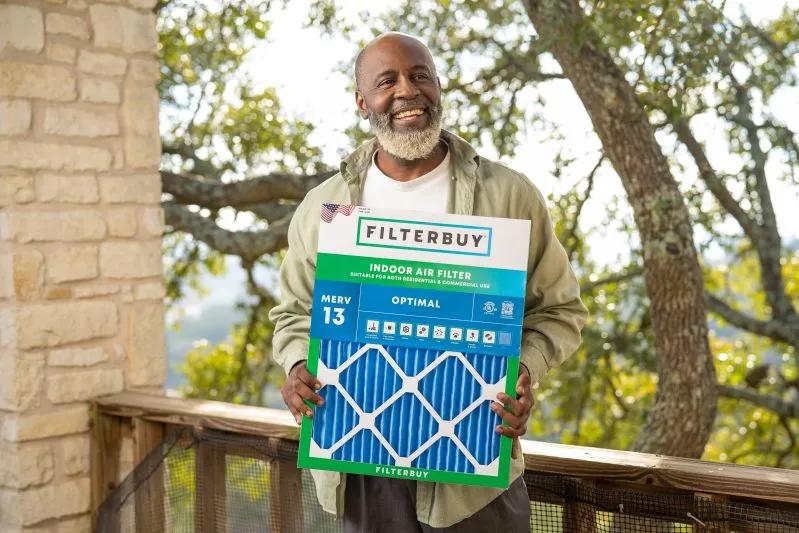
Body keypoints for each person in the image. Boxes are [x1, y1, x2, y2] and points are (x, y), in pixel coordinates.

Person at [269, 32, 587, 532]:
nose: (406, 91)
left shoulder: (510, 196)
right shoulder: (323, 208)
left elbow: (561, 311)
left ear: (439, 86)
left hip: (474, 475)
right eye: (386, 81)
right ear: (361, 102)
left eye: (420, 76)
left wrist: (523, 371)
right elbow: (292, 314)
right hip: (360, 467)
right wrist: (295, 368)